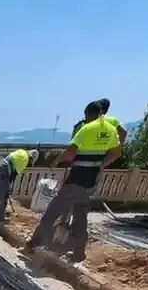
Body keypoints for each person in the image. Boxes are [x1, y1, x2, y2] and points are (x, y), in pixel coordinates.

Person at [25, 102, 122, 262]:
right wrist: (101, 165)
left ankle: (34, 242)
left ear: (88, 114)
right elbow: (117, 152)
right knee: (80, 217)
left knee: (52, 212)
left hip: (76, 178)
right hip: (91, 181)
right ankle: (79, 252)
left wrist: (57, 161)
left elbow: (70, 153)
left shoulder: (86, 129)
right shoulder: (111, 130)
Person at [0, 148, 39, 223]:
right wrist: (8, 188)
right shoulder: (25, 160)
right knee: (4, 196)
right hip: (4, 171)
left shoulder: (21, 151)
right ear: (31, 158)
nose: (30, 163)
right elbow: (13, 175)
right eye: (31, 161)